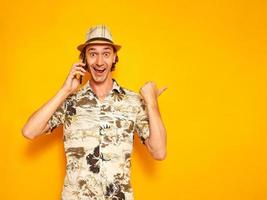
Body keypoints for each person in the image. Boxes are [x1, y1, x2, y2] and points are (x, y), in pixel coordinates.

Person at [22, 24, 167, 200]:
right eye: (92, 53)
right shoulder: (70, 101)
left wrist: (151, 102)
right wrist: (65, 90)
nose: (99, 61)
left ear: (114, 58)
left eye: (106, 53)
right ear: (84, 59)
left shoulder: (133, 101)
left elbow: (159, 152)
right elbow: (29, 131)